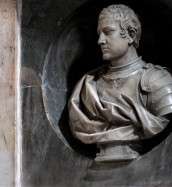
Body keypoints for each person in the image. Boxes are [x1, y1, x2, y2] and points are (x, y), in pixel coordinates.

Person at [69, 4, 172, 162]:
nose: (100, 41)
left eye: (108, 32)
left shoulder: (158, 80)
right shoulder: (88, 85)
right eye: (99, 34)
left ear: (130, 35)